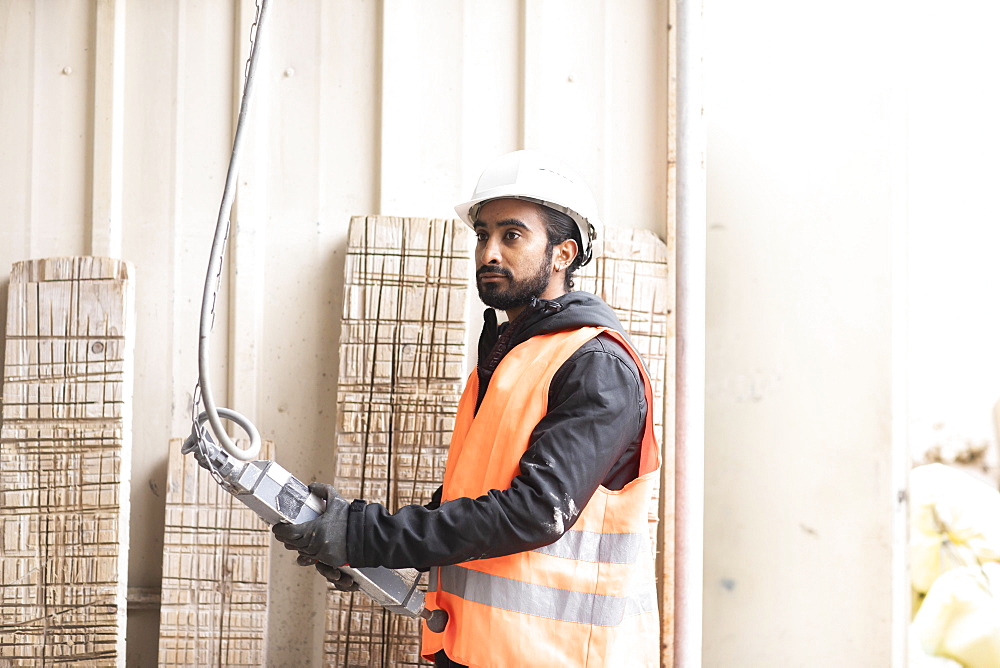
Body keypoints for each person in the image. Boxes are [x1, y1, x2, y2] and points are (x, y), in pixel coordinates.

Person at [273, 149, 661, 667]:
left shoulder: (596, 365)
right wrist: (361, 542)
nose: (489, 252)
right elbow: (474, 499)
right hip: (481, 652)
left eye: (512, 235)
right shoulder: (510, 356)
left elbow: (532, 512)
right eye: (482, 235)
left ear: (563, 254)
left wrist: (368, 535)